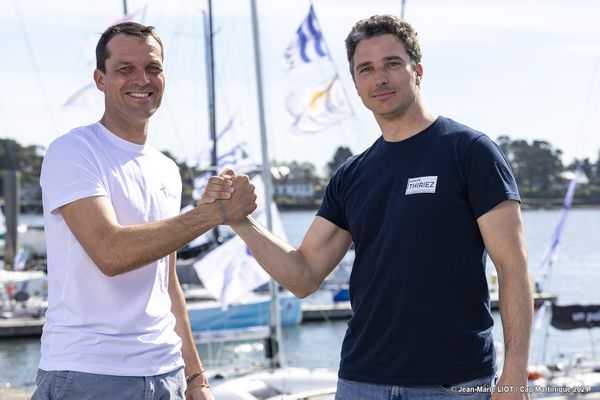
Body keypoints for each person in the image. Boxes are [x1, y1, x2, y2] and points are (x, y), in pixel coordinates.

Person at [205, 15, 533, 400]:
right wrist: (241, 221)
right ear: (357, 84)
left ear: (418, 71)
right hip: (361, 382)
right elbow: (303, 275)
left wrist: (514, 378)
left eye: (392, 64)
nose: (380, 78)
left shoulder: (471, 152)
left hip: (454, 382)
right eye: (366, 69)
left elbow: (513, 268)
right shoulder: (351, 175)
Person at [34, 22, 256, 400]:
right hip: (89, 374)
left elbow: (167, 283)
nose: (142, 78)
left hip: (165, 373)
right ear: (100, 79)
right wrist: (211, 214)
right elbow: (111, 252)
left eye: (152, 68)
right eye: (126, 69)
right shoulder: (72, 151)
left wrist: (196, 378)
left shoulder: (167, 168)